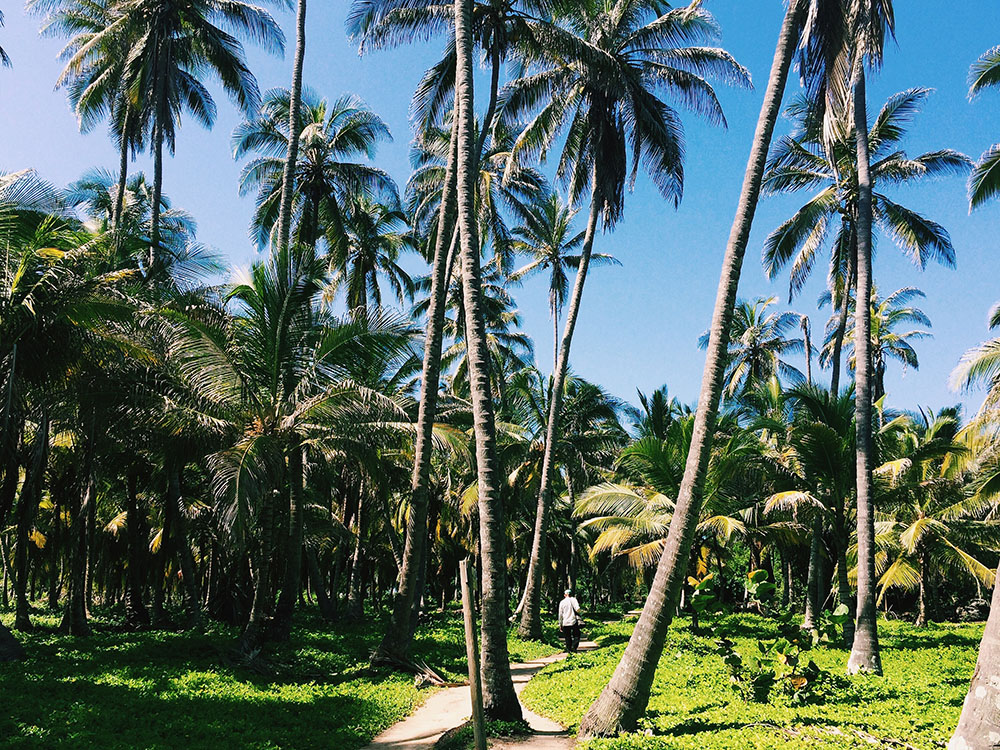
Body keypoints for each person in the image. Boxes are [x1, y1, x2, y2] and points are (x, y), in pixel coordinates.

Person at [558, 589, 581, 653]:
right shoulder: (573, 600)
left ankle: (569, 649)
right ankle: (574, 647)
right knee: (576, 635)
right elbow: (578, 609)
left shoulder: (562, 602)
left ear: (565, 595)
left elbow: (560, 614)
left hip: (565, 622)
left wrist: (560, 624)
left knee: (567, 636)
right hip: (573, 621)